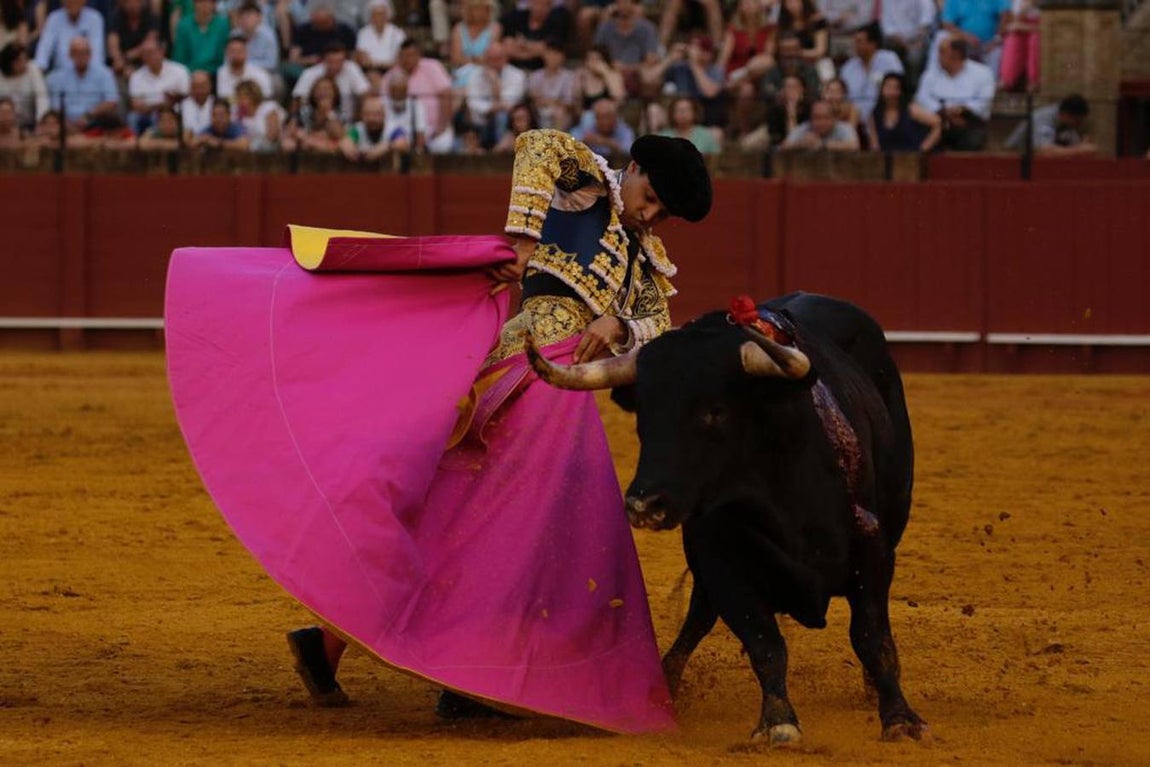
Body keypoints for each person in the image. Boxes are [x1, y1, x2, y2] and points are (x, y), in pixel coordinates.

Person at [280, 128, 712, 723]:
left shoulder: (645, 261)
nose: (650, 215)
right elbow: (537, 144)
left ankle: (401, 659)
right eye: (651, 198)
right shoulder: (585, 188)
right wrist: (524, 240)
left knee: (510, 527)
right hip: (518, 370)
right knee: (478, 518)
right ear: (633, 167)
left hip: (564, 405)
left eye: (663, 214)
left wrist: (618, 325)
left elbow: (659, 325)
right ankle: (360, 650)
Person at [914, 36, 994, 151]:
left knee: (971, 139)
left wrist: (961, 109)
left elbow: (984, 102)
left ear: (956, 54)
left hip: (968, 121)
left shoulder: (982, 73)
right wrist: (944, 111)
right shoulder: (931, 73)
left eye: (942, 52)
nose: (938, 56)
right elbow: (922, 97)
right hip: (936, 119)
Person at [838, 22, 904, 119]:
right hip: (852, 114)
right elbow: (842, 94)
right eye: (855, 42)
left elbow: (898, 85)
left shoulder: (889, 59)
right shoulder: (848, 67)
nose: (855, 45)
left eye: (859, 42)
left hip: (882, 110)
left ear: (872, 44)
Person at [1003, 93, 1096, 156]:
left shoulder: (1067, 124)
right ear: (1066, 115)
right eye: (1077, 122)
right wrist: (1079, 150)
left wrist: (1082, 146)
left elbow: (1072, 145)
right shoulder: (1044, 118)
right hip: (1015, 158)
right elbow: (1045, 151)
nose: (1078, 126)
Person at [867, 71, 939, 151]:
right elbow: (874, 145)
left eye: (895, 88)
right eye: (888, 87)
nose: (891, 92)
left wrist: (922, 149)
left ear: (901, 91)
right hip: (886, 156)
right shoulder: (874, 114)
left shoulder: (911, 109)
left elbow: (937, 123)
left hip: (911, 155)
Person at [34, 0, 104, 73]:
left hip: (89, 74)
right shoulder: (54, 19)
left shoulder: (95, 19)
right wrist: (38, 70)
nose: (72, 2)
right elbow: (43, 53)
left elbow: (97, 57)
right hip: (61, 74)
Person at [0, 42, 47, 130]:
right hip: (4, 125)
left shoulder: (33, 69)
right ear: (10, 63)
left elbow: (42, 98)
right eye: (20, 60)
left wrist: (40, 122)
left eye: (25, 59)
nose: (24, 63)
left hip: (30, 123)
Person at [781, 98, 860, 150]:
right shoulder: (804, 128)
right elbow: (783, 147)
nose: (821, 122)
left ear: (833, 119)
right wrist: (801, 144)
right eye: (816, 118)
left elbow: (854, 146)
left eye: (825, 118)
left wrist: (822, 145)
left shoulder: (844, 128)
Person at [355, 0, 405, 70]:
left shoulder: (398, 33)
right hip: (370, 70)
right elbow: (363, 60)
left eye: (381, 14)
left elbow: (401, 58)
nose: (379, 17)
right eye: (375, 14)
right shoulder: (363, 33)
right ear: (371, 16)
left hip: (394, 70)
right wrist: (382, 64)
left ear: (388, 15)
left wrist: (379, 64)